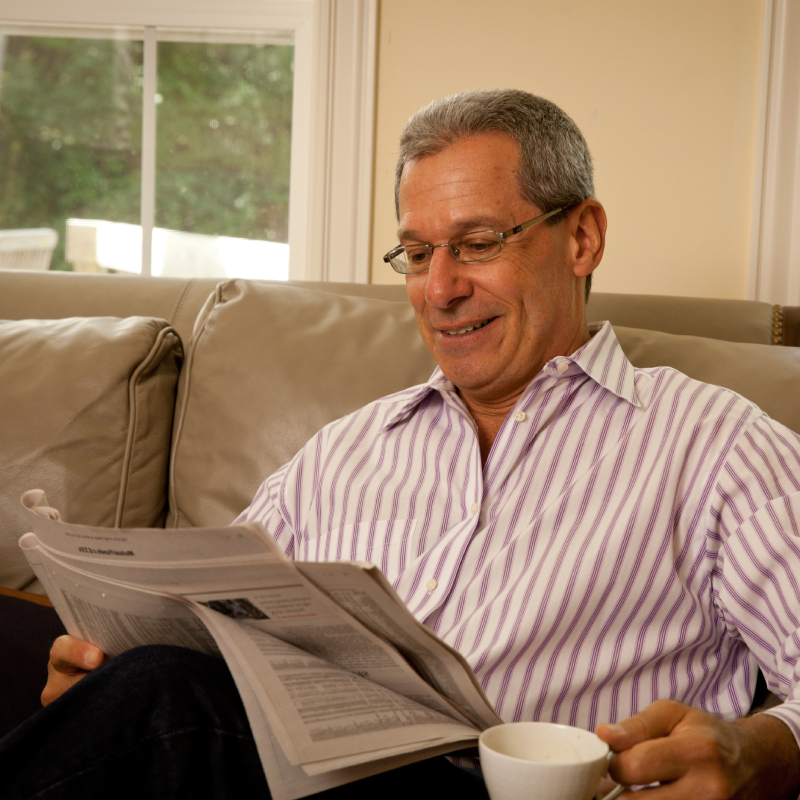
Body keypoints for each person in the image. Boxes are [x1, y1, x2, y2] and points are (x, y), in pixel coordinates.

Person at [7, 89, 800, 799]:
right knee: (148, 683)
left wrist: (764, 750)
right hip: (298, 781)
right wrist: (95, 679)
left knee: (161, 698)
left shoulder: (717, 447)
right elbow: (214, 631)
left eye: (479, 242)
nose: (440, 288)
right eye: (417, 254)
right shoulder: (342, 455)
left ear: (582, 238)